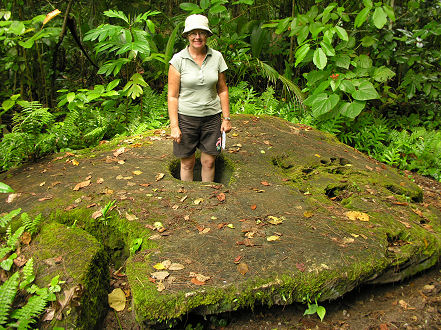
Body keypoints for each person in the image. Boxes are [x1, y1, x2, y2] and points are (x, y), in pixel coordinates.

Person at [168, 14, 232, 182]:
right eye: (193, 33)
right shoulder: (178, 60)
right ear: (187, 36)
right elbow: (172, 96)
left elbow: (223, 90)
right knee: (188, 163)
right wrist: (174, 126)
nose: (197, 37)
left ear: (207, 35)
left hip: (212, 118)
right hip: (186, 119)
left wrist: (226, 118)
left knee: (209, 162)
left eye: (201, 33)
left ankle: (207, 197)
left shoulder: (217, 57)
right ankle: (188, 199)